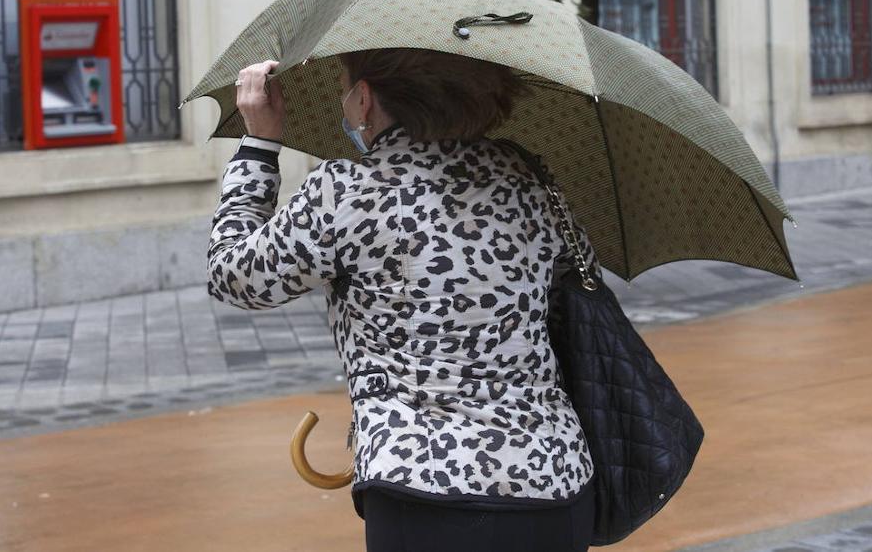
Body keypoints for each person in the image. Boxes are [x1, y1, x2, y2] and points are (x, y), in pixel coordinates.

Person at [208, 49, 598, 552]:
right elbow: (573, 271)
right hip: (552, 484)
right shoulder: (529, 181)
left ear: (365, 99)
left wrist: (260, 141)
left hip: (422, 494)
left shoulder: (347, 191)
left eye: (347, 90)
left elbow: (233, 276)